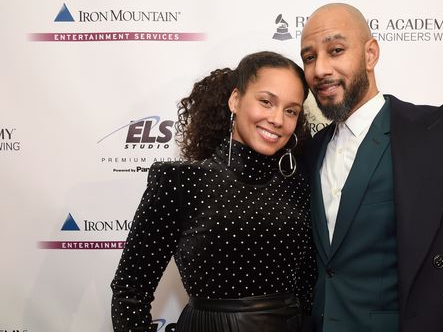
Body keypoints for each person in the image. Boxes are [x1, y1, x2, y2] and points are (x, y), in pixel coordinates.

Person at [299, 3, 443, 332]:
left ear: (370, 54)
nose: (320, 69)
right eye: (309, 57)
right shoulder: (309, 153)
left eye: (336, 50)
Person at [110, 51, 316, 332]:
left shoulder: (300, 185)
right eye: (266, 102)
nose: (278, 119)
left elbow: (309, 290)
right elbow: (129, 291)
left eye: (291, 110)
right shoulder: (179, 181)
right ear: (235, 100)